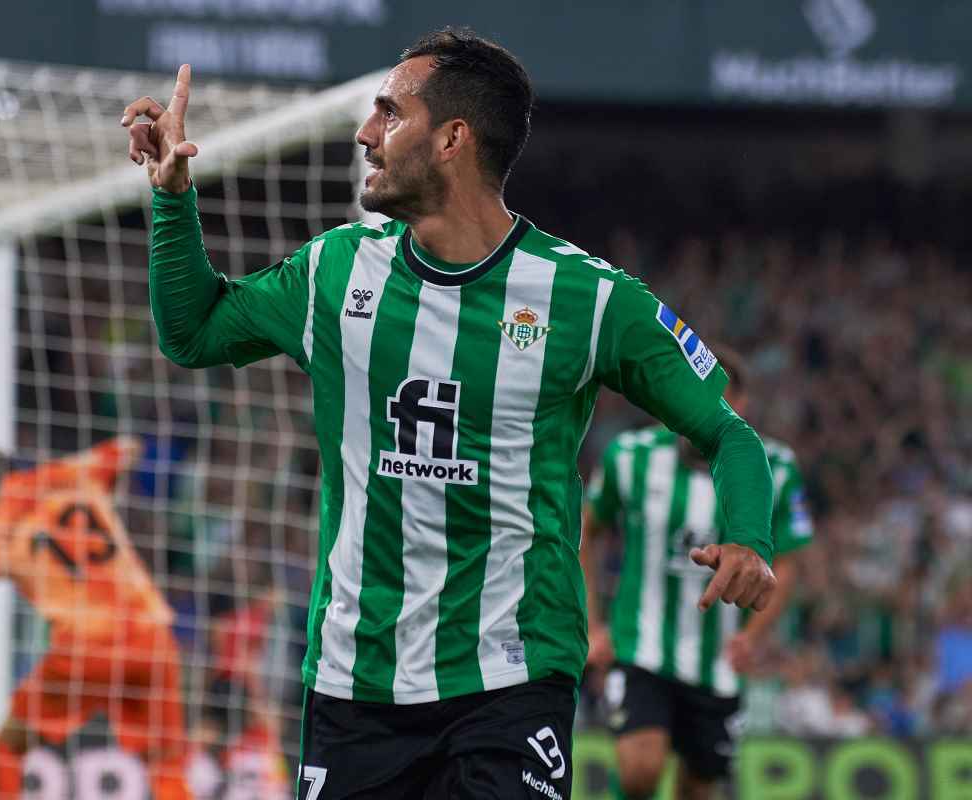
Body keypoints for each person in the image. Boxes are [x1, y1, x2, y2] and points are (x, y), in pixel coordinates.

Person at [126, 27, 776, 799]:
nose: (366, 133)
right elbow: (194, 332)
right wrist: (172, 199)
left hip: (509, 675)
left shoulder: (589, 298)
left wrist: (747, 535)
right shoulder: (335, 271)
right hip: (355, 678)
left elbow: (728, 432)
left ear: (451, 139)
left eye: (389, 114)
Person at [0, 438, 189, 800]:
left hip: (85, 649)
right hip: (151, 636)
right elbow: (130, 447)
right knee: (165, 765)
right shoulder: (73, 474)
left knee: (6, 748)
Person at [581, 347, 814, 799]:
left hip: (718, 662)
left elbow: (787, 560)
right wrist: (591, 625)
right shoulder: (630, 456)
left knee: (699, 787)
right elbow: (587, 532)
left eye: (722, 398)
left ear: (742, 405)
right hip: (641, 646)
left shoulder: (777, 468)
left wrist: (754, 635)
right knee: (639, 770)